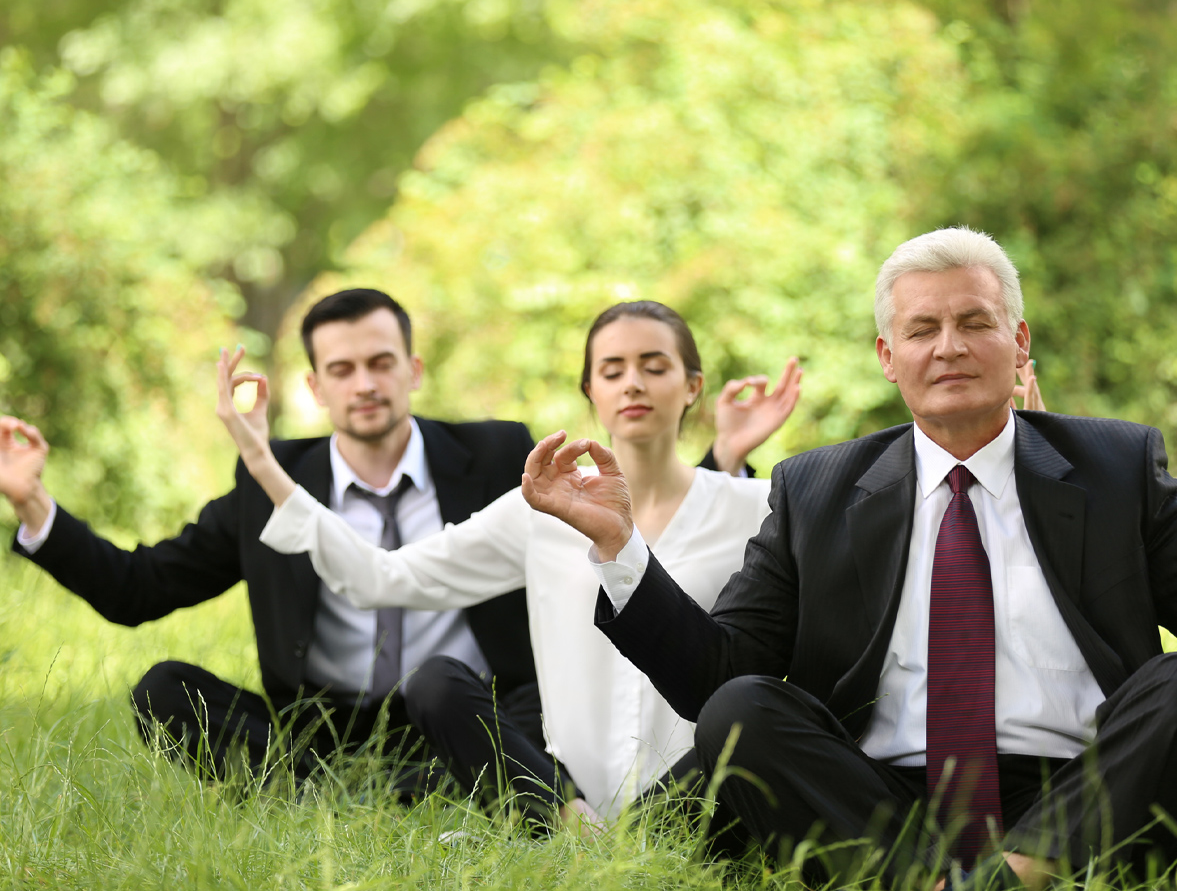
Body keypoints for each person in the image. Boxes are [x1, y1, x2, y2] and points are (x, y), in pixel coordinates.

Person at [520, 228, 1177, 888]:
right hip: (877, 802)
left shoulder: (1116, 465)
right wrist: (619, 546)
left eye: (975, 322)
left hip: (1087, 791)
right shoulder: (817, 486)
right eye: (923, 328)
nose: (948, 346)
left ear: (1017, 345)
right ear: (887, 356)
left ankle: (1020, 871)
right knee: (744, 708)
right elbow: (720, 678)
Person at [0, 288, 775, 815]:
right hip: (317, 730)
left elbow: (631, 510)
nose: (365, 383)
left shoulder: (499, 453)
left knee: (468, 693)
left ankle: (446, 787)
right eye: (343, 369)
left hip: (473, 716)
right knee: (165, 686)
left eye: (380, 362)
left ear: (413, 369)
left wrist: (722, 465)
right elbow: (137, 590)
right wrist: (35, 503)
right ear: (315, 385)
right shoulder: (269, 484)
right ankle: (330, 797)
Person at [213, 300, 803, 823]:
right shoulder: (539, 511)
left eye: (654, 366)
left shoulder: (759, 504)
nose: (633, 384)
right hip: (569, 790)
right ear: (590, 392)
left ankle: (639, 835)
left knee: (750, 712)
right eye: (612, 370)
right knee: (437, 682)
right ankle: (571, 826)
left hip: (695, 788)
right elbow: (381, 576)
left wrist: (727, 455)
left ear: (692, 385)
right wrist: (261, 459)